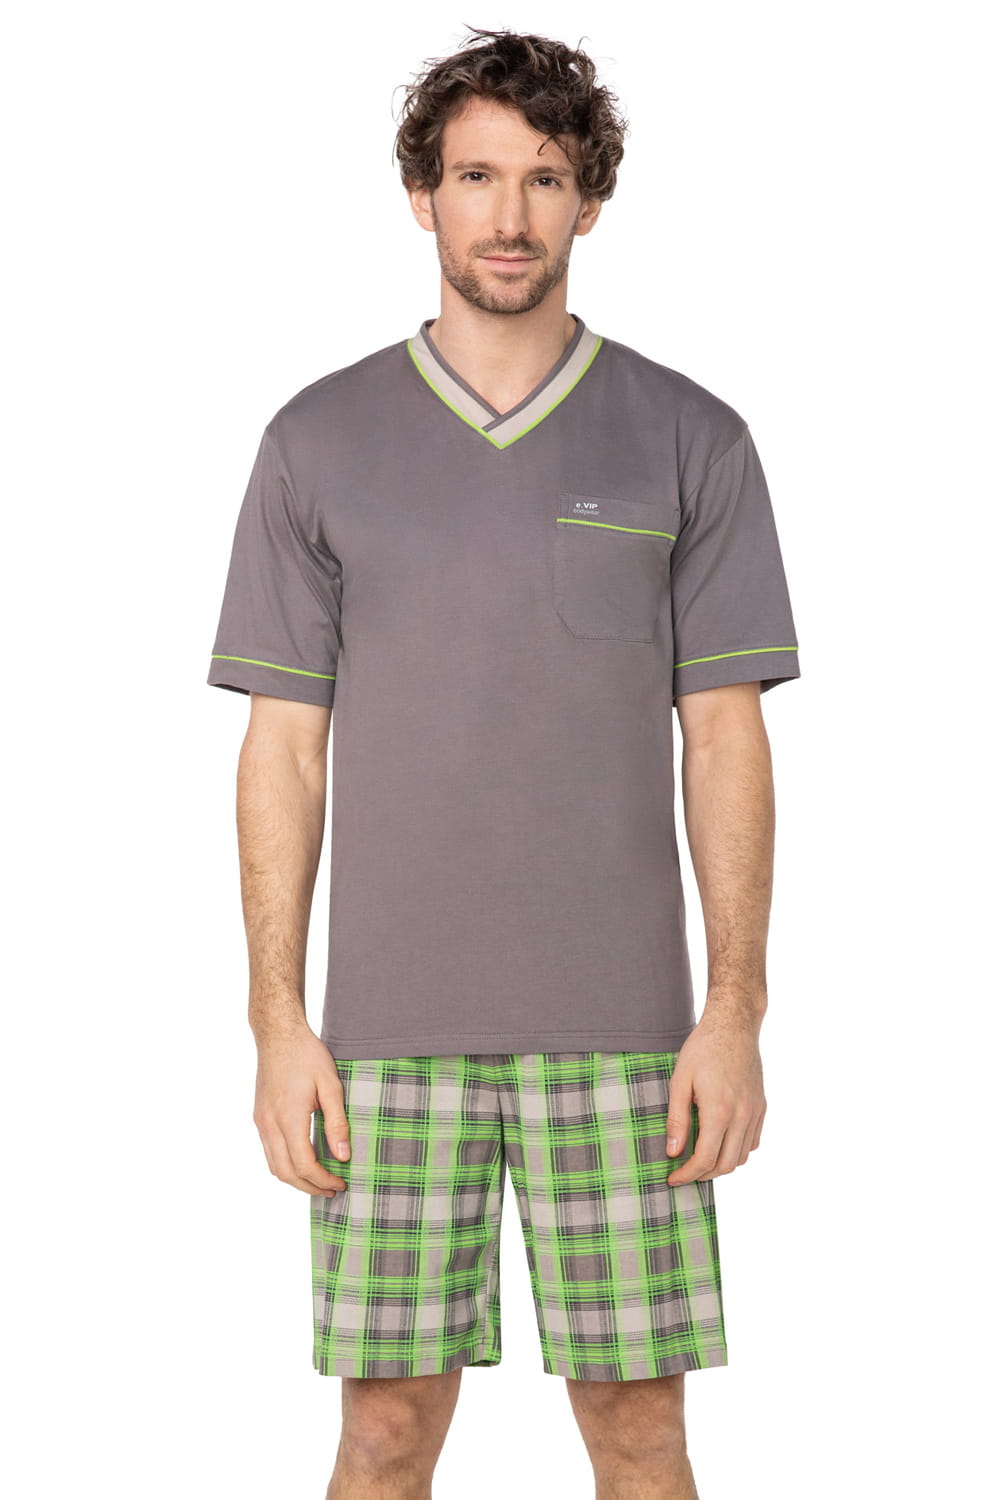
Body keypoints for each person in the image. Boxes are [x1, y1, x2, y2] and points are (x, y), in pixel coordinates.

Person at [206, 25, 800, 1500]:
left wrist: (734, 1012)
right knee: (385, 1431)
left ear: (591, 198)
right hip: (384, 1044)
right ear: (423, 195)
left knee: (641, 1432)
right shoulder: (316, 440)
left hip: (631, 1042)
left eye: (545, 177)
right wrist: (278, 1022)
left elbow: (726, 737)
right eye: (476, 177)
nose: (511, 214)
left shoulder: (692, 437)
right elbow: (283, 750)